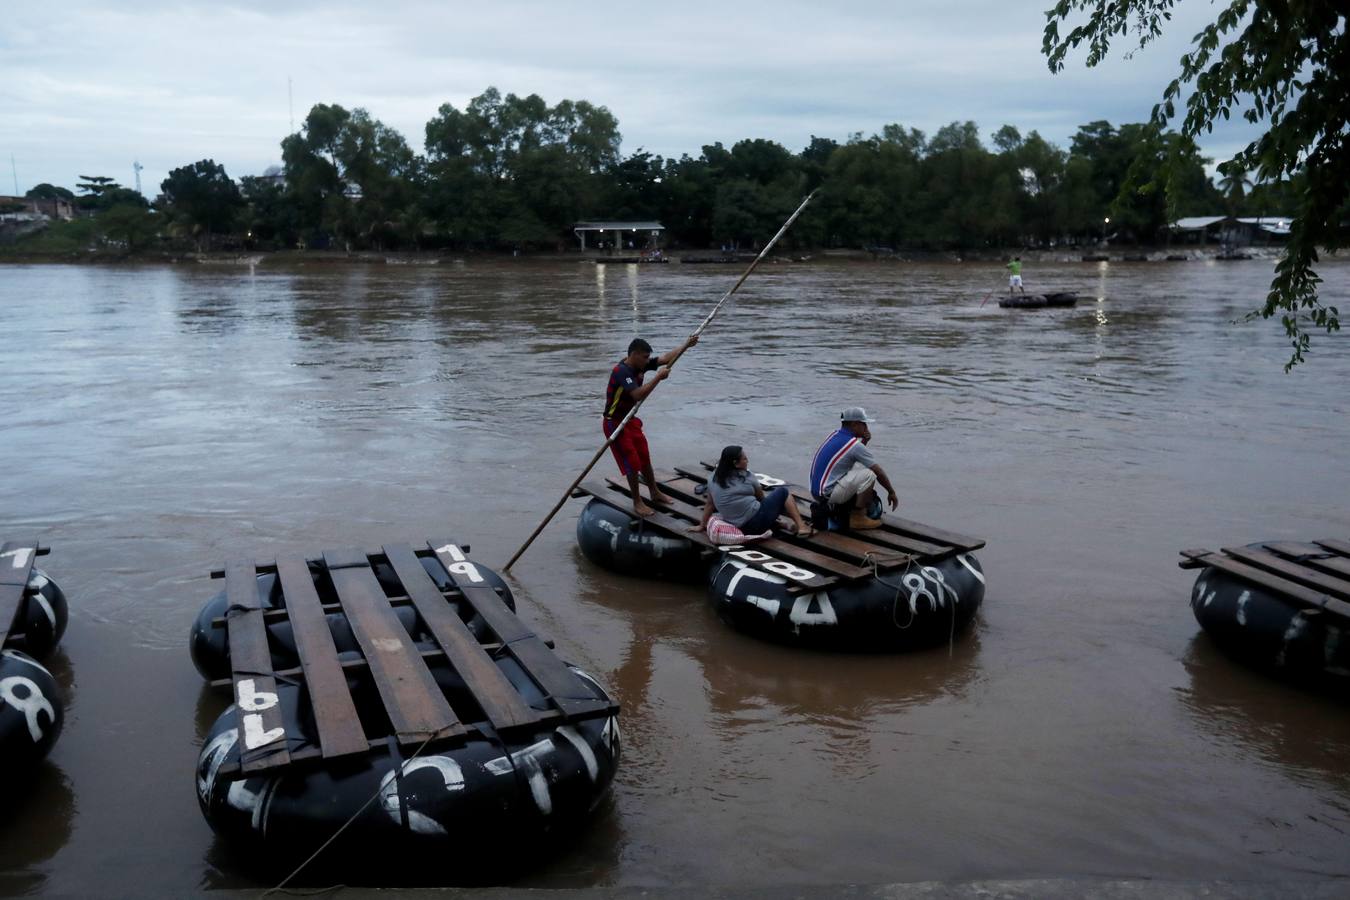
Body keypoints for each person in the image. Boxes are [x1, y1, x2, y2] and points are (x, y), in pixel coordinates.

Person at [604, 334, 699, 516]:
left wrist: (686, 345)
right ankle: (637, 501)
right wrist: (657, 378)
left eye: (648, 358)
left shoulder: (641, 364)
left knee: (644, 455)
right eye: (645, 357)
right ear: (634, 355)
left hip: (630, 420)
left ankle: (654, 492)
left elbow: (664, 359)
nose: (648, 361)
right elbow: (637, 395)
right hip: (614, 422)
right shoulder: (622, 371)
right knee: (632, 460)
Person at [808, 407, 898, 530]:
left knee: (856, 469)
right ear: (854, 424)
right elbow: (878, 471)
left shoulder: (834, 435)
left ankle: (848, 512)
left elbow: (849, 458)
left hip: (817, 492)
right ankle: (858, 518)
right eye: (863, 424)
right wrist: (891, 492)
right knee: (869, 474)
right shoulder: (854, 445)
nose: (866, 428)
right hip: (828, 495)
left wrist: (864, 441)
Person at [693, 445, 812, 537]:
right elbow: (761, 498)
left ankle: (782, 524)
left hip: (738, 526)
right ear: (736, 463)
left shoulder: (713, 478)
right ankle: (802, 526)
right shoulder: (746, 476)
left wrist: (701, 525)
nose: (747, 460)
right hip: (755, 525)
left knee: (752, 508)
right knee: (783, 492)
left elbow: (709, 504)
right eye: (744, 458)